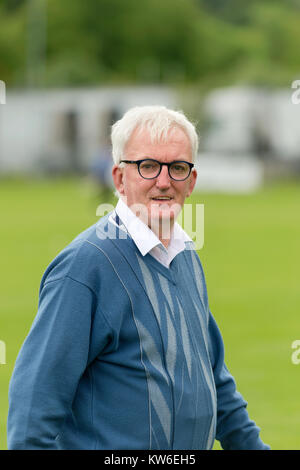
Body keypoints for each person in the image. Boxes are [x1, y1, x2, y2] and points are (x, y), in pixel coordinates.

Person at [7, 105, 270, 450]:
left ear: (191, 182)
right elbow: (32, 415)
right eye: (147, 166)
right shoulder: (85, 266)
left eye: (177, 168)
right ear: (119, 178)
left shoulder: (186, 257)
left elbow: (215, 383)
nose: (163, 182)